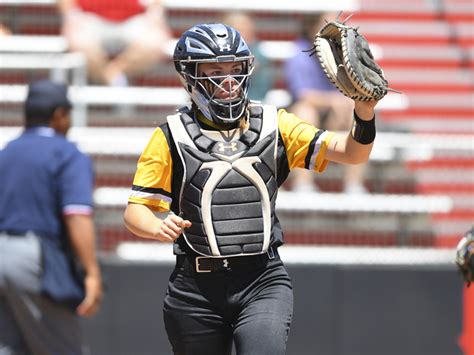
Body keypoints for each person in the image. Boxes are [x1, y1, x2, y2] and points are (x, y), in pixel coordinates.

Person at [124, 23, 378, 355]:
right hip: (195, 288)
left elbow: (352, 153)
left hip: (262, 279)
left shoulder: (275, 123)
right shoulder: (171, 136)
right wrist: (156, 225)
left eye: (235, 68)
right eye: (215, 70)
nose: (228, 80)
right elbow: (135, 211)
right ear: (189, 76)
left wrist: (365, 110)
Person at [0, 79, 102, 354]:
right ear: (59, 114)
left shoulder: (6, 152)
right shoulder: (66, 153)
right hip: (32, 258)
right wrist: (91, 273)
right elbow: (77, 215)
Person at [284, 13, 368, 194]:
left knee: (358, 114)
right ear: (312, 29)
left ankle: (354, 184)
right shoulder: (300, 54)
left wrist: (345, 103)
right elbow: (303, 95)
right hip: (309, 112)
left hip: (338, 114)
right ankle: (303, 183)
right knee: (304, 114)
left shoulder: (347, 55)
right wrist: (333, 101)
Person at [58, 0, 171, 86]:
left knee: (154, 42)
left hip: (134, 17)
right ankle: (117, 82)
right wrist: (71, 14)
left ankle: (113, 77)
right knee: (79, 43)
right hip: (89, 17)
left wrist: (155, 13)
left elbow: (156, 8)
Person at [222, 11, 274, 102]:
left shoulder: (258, 51)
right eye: (239, 29)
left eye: (246, 28)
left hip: (257, 99)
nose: (244, 32)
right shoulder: (221, 53)